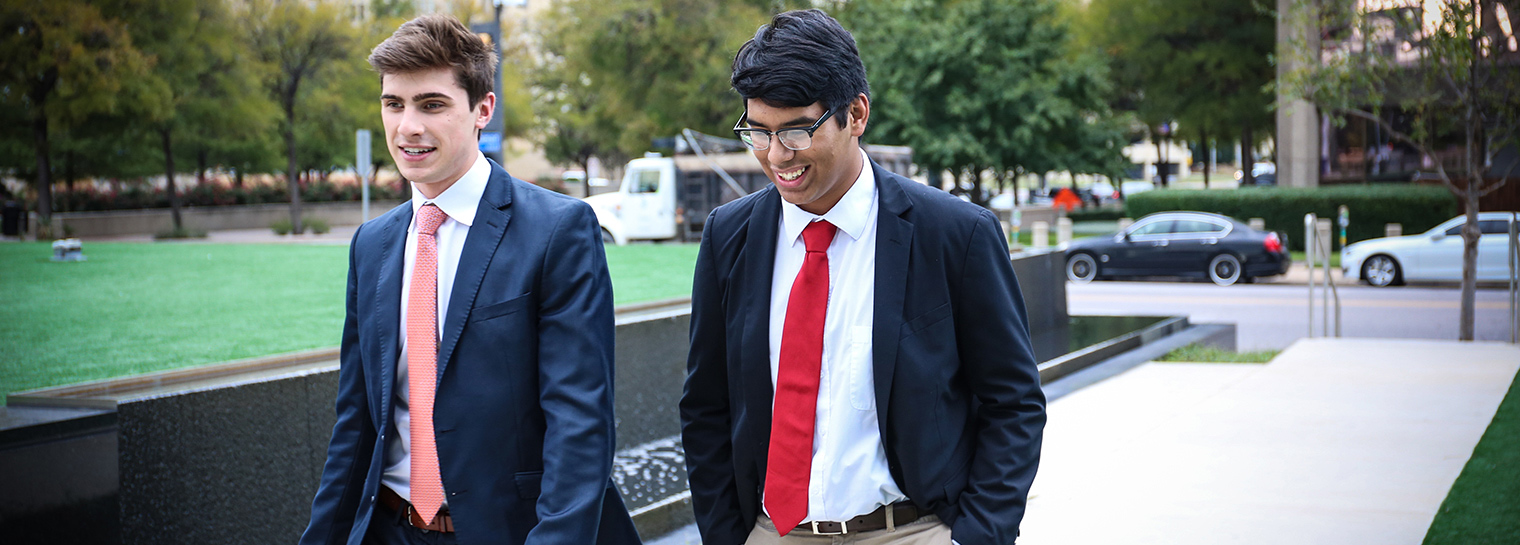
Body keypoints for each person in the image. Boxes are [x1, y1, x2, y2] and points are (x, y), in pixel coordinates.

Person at [680, 9, 1046, 545]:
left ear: (855, 114)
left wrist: (978, 536)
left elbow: (1013, 402)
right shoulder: (727, 236)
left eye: (797, 131)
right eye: (758, 132)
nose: (777, 156)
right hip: (770, 532)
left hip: (912, 529)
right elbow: (706, 405)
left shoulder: (956, 234)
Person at [300, 15, 640, 545]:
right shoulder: (372, 244)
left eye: (431, 104)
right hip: (389, 529)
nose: (407, 125)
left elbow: (580, 427)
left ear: (483, 109)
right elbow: (356, 422)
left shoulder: (558, 230)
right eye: (394, 104)